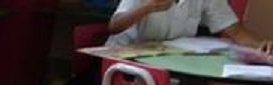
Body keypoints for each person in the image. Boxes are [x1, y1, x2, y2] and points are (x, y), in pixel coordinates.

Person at [106, 0, 272, 52]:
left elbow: (235, 31)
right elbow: (114, 26)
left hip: (166, 58)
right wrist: (147, 7)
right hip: (125, 55)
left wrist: (262, 45)